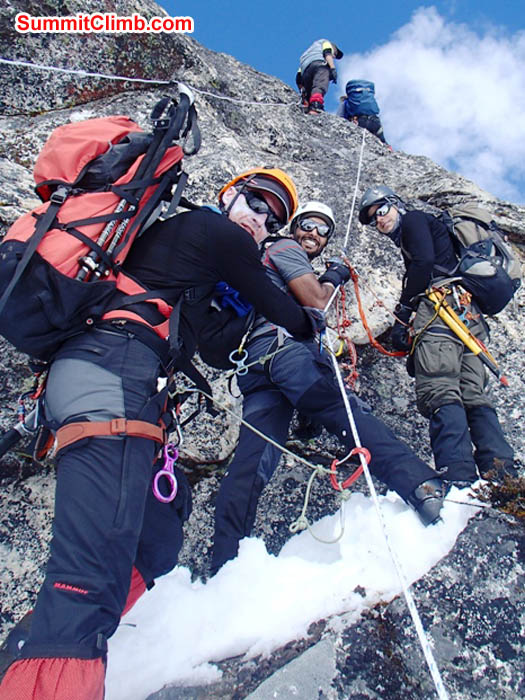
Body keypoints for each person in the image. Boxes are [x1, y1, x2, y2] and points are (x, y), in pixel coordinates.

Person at [0, 168, 318, 699]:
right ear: (229, 194)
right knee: (91, 574)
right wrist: (311, 322)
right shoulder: (209, 230)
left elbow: (217, 349)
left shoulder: (198, 266)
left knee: (160, 529)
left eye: (271, 217)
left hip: (120, 381)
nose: (260, 218)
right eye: (255, 202)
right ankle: (59, 651)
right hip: (112, 375)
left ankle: (39, 641)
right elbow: (282, 305)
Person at [210, 200, 447, 576]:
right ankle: (422, 487)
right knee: (345, 413)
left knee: (252, 462)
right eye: (308, 225)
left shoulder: (260, 259)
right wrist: (333, 277)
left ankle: (224, 564)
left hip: (255, 371)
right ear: (293, 226)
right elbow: (316, 300)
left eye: (323, 231)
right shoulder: (283, 248)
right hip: (286, 352)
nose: (314, 235)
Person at [358, 186, 515, 486]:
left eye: (381, 210)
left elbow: (424, 263)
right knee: (472, 394)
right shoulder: (424, 230)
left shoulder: (415, 219)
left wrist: (404, 313)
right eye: (371, 219)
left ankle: (457, 477)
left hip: (442, 308)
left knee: (439, 386)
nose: (378, 220)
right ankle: (503, 476)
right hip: (468, 315)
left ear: (396, 205)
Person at [296, 40, 343, 114]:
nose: (334, 56)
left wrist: (303, 94)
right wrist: (332, 68)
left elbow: (298, 77)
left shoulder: (307, 55)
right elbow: (327, 53)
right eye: (335, 53)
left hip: (305, 72)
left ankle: (308, 106)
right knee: (320, 85)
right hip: (320, 65)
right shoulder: (325, 42)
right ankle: (315, 105)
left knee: (309, 91)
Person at [340, 79, 390, 146]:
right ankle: (389, 149)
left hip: (358, 121)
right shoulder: (369, 99)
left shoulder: (346, 102)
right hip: (375, 122)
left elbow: (340, 118)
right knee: (383, 142)